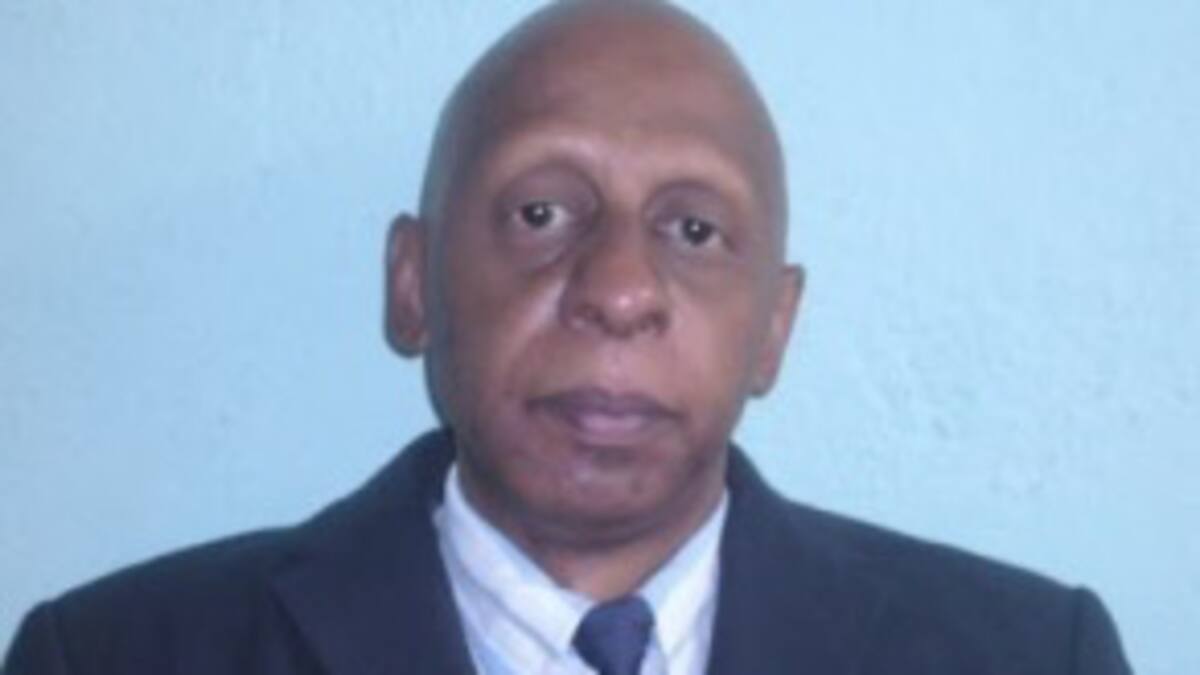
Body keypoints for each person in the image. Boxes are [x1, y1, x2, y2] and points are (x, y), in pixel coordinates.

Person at [4, 1, 1132, 673]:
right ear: (413, 283)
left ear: (774, 327)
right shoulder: (112, 657)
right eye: (542, 212)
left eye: (695, 229)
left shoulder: (1033, 658)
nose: (620, 290)